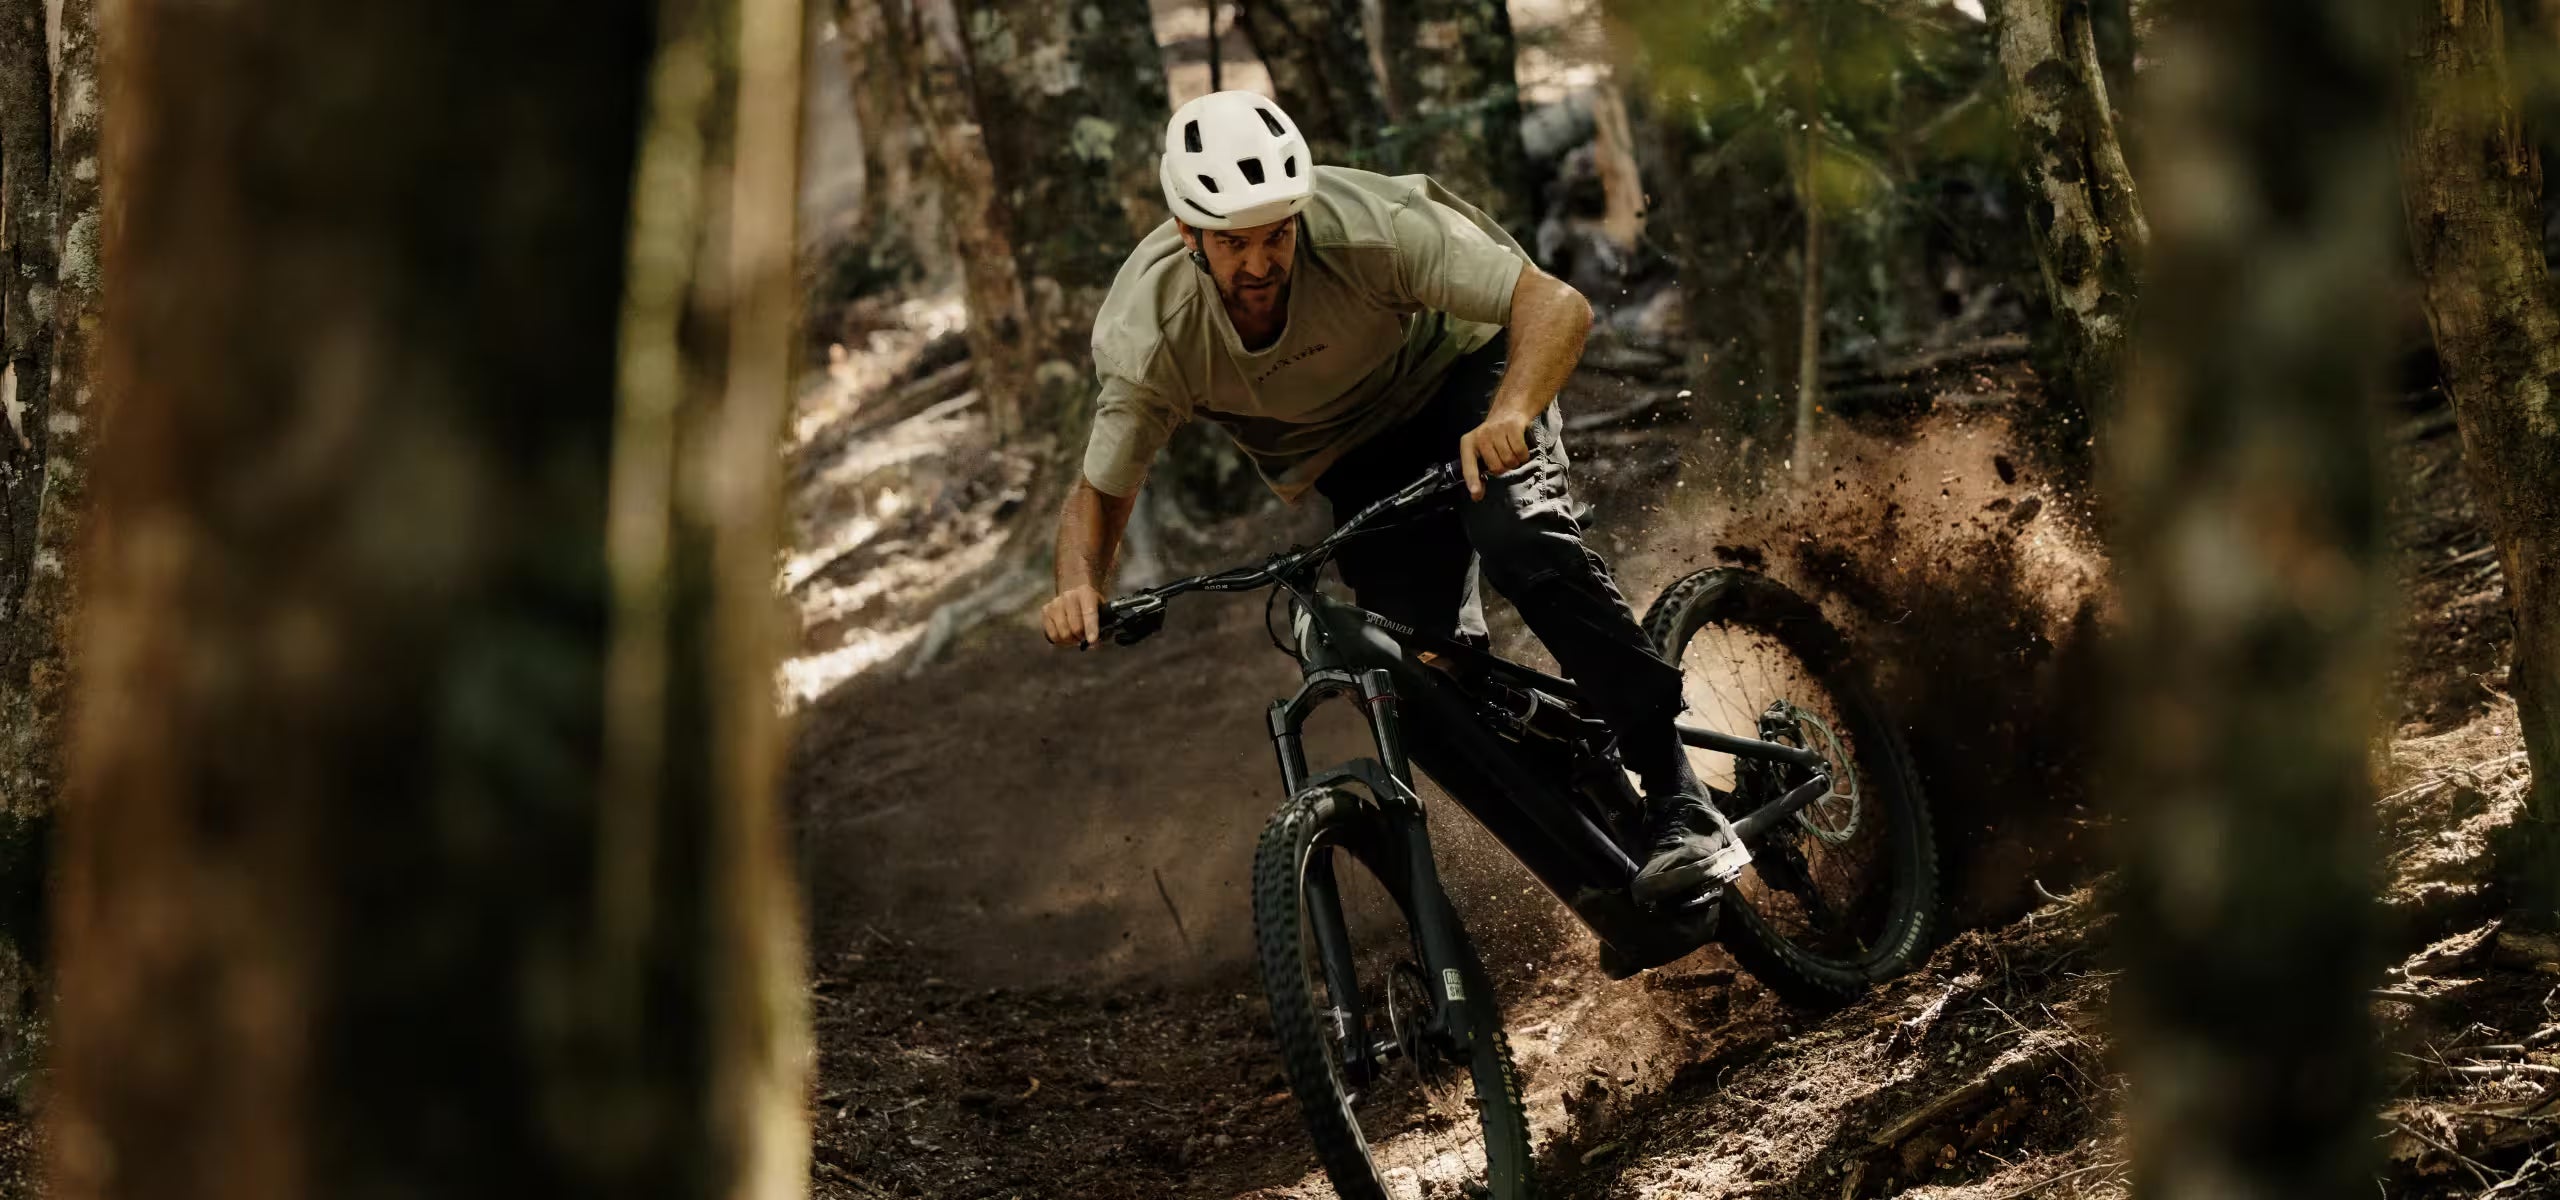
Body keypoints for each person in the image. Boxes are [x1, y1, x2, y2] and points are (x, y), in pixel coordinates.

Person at [1039, 90, 1748, 906]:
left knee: (1521, 540)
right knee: (1422, 680)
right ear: (1187, 232)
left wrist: (1512, 413)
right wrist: (1079, 585)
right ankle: (1595, 848)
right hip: (1352, 455)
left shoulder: (1370, 227)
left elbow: (1552, 302)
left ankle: (1679, 798)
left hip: (1466, 383)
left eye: (1278, 234)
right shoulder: (1151, 327)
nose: (1262, 262)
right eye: (1234, 244)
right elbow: (1101, 488)